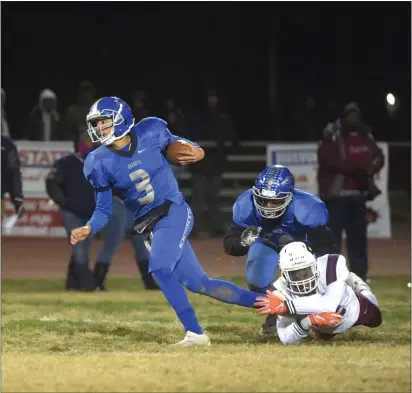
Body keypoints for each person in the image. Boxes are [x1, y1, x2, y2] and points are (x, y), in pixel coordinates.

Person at [69, 96, 266, 346]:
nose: (98, 129)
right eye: (96, 124)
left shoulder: (151, 130)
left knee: (160, 268)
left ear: (120, 120)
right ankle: (275, 302)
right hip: (149, 225)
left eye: (103, 122)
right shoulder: (97, 162)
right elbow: (103, 210)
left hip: (173, 210)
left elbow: (182, 145)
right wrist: (89, 227)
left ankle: (195, 333)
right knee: (200, 284)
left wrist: (197, 150)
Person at [223, 164, 337, 337]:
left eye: (275, 201)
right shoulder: (246, 205)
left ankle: (315, 314)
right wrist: (243, 242)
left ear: (290, 197)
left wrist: (322, 269)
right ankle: (275, 314)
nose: (268, 206)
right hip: (267, 243)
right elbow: (230, 247)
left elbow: (327, 246)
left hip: (301, 247)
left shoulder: (307, 208)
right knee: (256, 277)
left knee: (311, 280)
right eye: (263, 200)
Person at [46, 132, 157, 291]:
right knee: (95, 247)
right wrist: (65, 203)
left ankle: (148, 282)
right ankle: (92, 282)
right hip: (95, 209)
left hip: (116, 208)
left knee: (139, 243)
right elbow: (53, 184)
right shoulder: (70, 162)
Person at [253, 242, 382, 345]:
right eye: (294, 274)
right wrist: (309, 321)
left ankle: (357, 285)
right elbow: (286, 338)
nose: (302, 278)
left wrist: (287, 306)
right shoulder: (280, 289)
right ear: (284, 275)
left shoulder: (331, 264)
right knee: (323, 336)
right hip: (322, 327)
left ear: (315, 265)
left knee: (375, 316)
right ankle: (322, 330)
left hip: (355, 311)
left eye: (305, 271)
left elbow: (329, 305)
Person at [317, 102, 385, 281]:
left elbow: (379, 156)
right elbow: (327, 158)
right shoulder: (333, 133)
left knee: (358, 239)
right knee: (333, 239)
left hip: (358, 196)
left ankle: (359, 275)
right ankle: (330, 275)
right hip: (336, 197)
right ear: (344, 116)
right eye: (350, 116)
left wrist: (371, 168)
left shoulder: (365, 135)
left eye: (356, 116)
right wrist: (355, 169)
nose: (353, 119)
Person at [1, 135, 24, 221]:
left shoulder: (6, 144)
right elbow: (14, 172)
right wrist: (17, 198)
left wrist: (17, 198)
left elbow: (14, 172)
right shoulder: (6, 143)